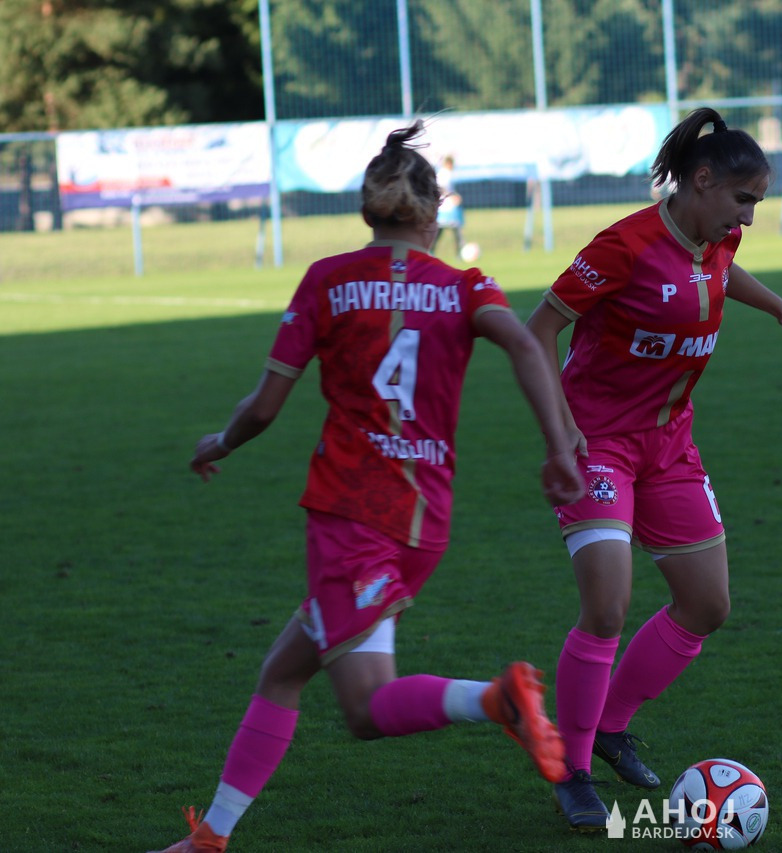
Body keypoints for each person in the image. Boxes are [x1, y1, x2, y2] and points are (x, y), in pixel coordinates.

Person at [150, 122, 586, 853]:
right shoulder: (466, 285)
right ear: (434, 213)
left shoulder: (327, 280)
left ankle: (495, 699)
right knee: (283, 672)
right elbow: (521, 342)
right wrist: (557, 444)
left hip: (352, 514)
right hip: (424, 522)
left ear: (366, 211)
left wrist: (218, 443)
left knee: (364, 707)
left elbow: (264, 408)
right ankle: (211, 837)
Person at [525, 106, 782, 831]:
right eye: (743, 199)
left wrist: (780, 310)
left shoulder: (718, 236)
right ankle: (571, 766)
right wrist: (559, 433)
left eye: (756, 202)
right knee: (607, 606)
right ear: (701, 179)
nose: (748, 217)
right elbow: (540, 329)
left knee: (707, 605)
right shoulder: (622, 246)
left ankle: (614, 725)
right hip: (598, 444)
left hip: (669, 446)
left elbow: (720, 271)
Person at [431, 154, 465, 257]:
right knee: (447, 229)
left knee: (454, 229)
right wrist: (452, 196)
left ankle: (459, 252)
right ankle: (431, 251)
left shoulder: (445, 173)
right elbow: (441, 187)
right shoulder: (444, 174)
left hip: (447, 205)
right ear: (449, 164)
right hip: (447, 206)